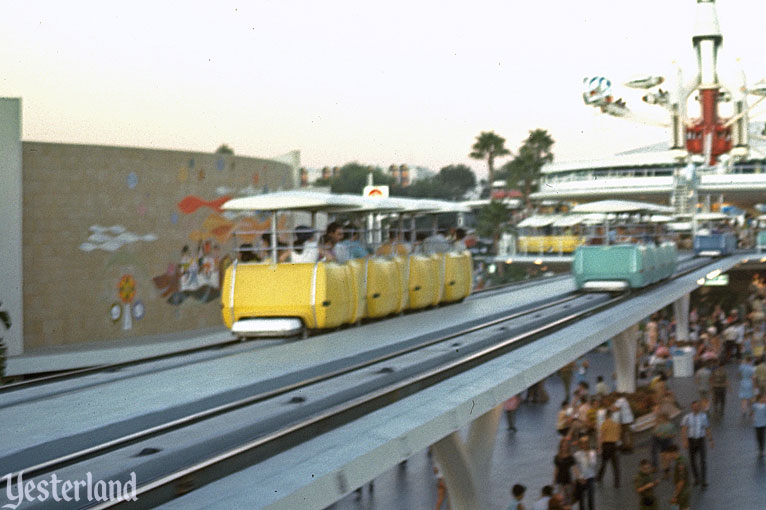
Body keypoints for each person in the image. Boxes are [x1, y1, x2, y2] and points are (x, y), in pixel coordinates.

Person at [680, 400, 713, 488]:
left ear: (699, 407)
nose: (696, 408)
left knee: (703, 460)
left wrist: (710, 440)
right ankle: (696, 478)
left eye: (697, 406)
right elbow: (684, 429)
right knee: (692, 461)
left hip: (701, 440)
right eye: (694, 406)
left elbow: (707, 428)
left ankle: (704, 480)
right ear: (692, 407)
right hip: (691, 440)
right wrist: (685, 441)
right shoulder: (687, 417)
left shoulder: (703, 417)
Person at [596, 409, 620, 488]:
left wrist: (599, 447)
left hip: (606, 445)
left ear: (606, 415)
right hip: (614, 445)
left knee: (604, 463)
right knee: (615, 464)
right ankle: (617, 482)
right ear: (611, 415)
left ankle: (599, 477)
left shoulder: (604, 424)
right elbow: (618, 436)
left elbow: (601, 436)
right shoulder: (616, 424)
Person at [572, 436, 597, 510]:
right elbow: (575, 467)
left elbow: (593, 464)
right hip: (581, 479)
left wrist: (588, 455)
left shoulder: (592, 453)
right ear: (579, 444)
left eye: (586, 443)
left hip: (590, 478)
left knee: (591, 499)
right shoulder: (577, 454)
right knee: (581, 500)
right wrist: (579, 478)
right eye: (582, 443)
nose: (584, 445)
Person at [668, 445, 690, 510]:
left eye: (669, 454)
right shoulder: (683, 459)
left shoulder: (680, 464)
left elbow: (681, 481)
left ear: (673, 453)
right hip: (686, 490)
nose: (669, 456)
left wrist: (675, 495)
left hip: (682, 492)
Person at [752, 392, 766, 457]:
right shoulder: (755, 405)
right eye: (762, 398)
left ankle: (761, 449)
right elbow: (752, 411)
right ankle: (760, 447)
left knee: (762, 436)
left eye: (764, 398)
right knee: (758, 437)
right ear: (759, 399)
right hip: (757, 423)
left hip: (763, 423)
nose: (764, 399)